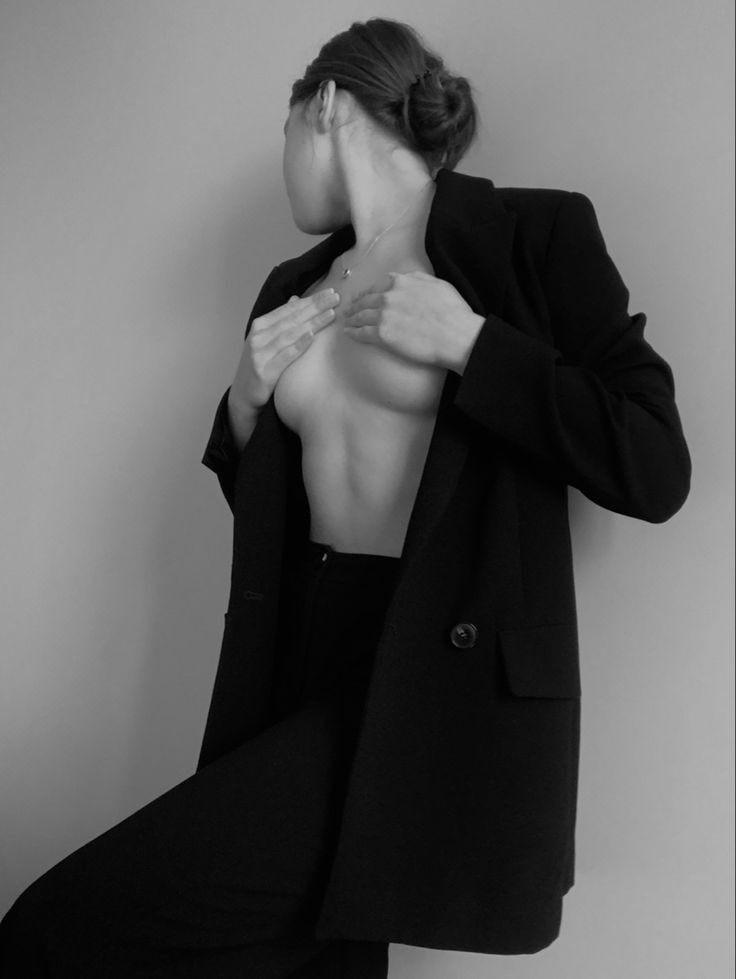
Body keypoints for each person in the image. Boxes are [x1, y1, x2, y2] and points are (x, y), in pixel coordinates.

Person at [0, 15, 692, 977]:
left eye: (283, 129)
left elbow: (655, 465)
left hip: (429, 679)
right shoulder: (291, 287)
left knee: (55, 924)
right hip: (293, 655)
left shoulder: (531, 236)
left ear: (323, 105)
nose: (284, 162)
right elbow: (276, 517)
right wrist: (244, 405)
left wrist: (473, 345)